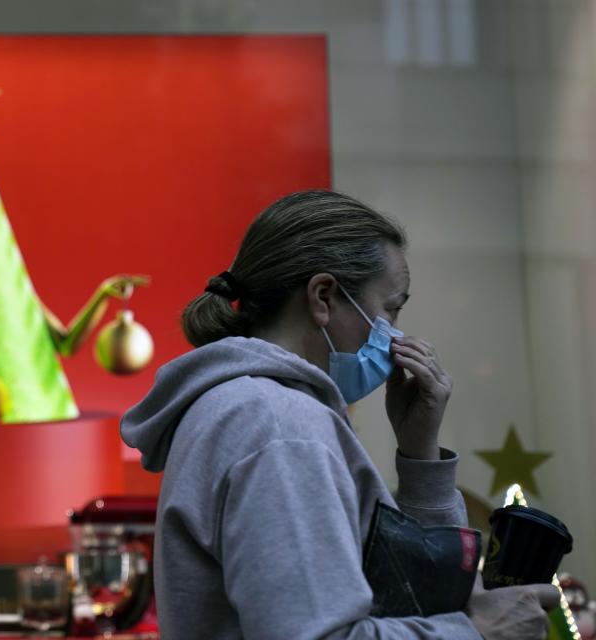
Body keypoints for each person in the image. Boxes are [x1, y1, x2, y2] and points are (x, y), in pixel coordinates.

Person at [120, 190, 559, 639]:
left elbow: (405, 594)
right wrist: (477, 633)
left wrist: (420, 455)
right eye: (391, 308)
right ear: (323, 297)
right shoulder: (280, 426)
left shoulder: (250, 409)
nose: (395, 337)